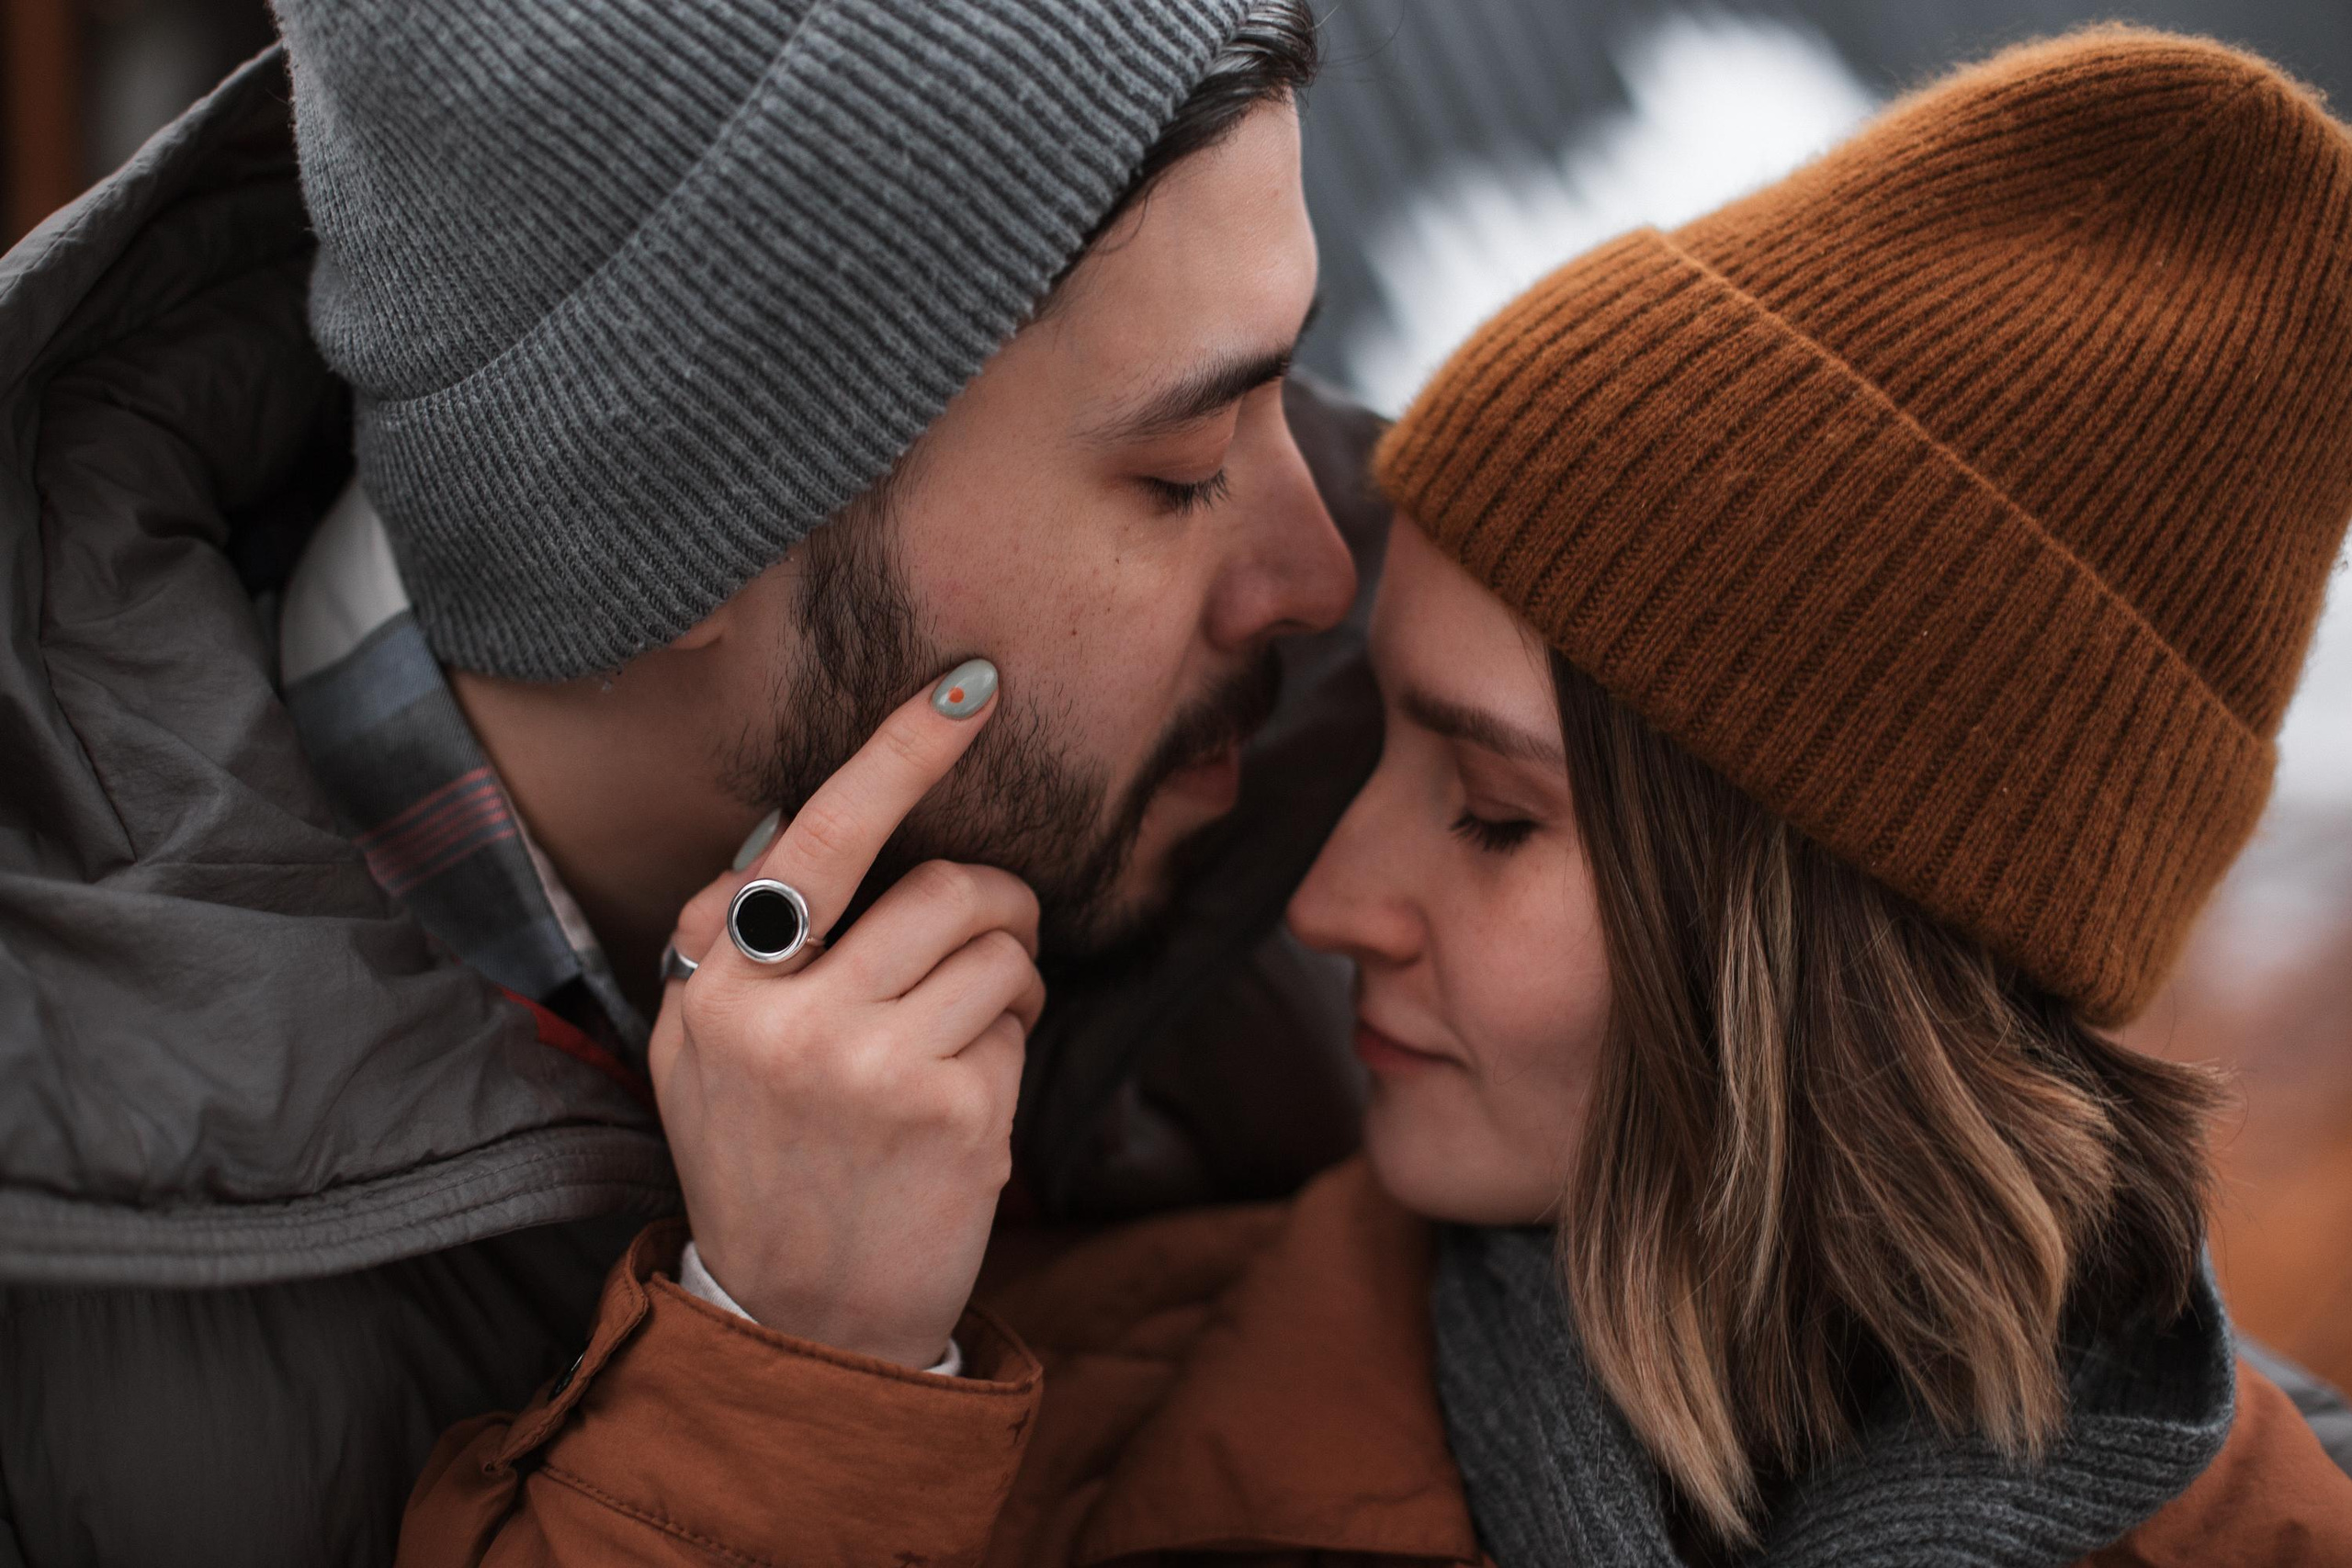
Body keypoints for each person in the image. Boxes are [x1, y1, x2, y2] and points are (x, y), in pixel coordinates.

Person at [397, 27, 2352, 1566]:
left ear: (1846, 950)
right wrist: (789, 1383)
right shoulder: (1019, 1425)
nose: (1323, 893)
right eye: (1382, 740)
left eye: (1490, 811)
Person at [0, 4, 1391, 1563]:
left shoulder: (1424, 736)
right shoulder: (59, 1277)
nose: (1322, 573)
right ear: (681, 539)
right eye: (1184, 468)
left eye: (1291, 381)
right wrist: (790, 1379)